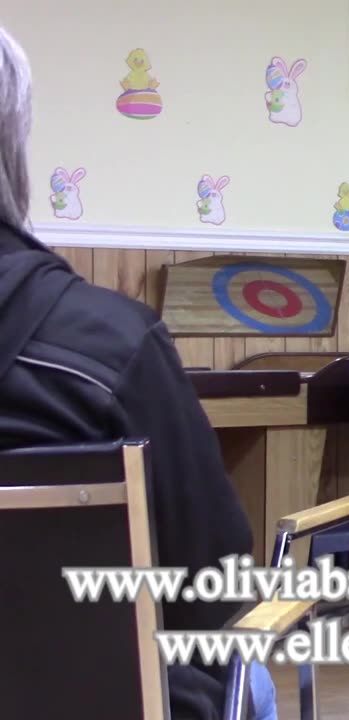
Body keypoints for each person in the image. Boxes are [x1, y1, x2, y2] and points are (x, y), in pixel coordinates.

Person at [0, 27, 276, 720]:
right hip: (98, 697)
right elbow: (211, 581)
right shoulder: (112, 348)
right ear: (13, 147)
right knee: (255, 676)